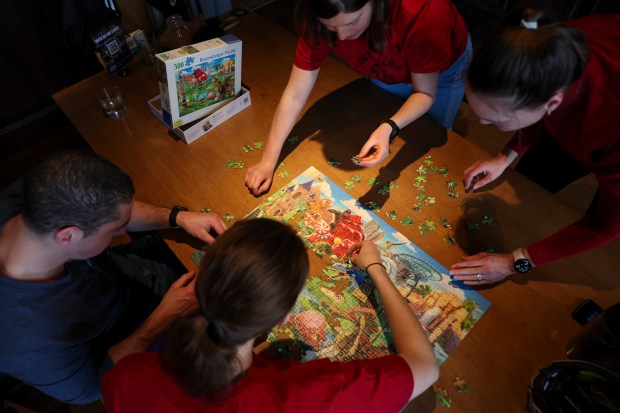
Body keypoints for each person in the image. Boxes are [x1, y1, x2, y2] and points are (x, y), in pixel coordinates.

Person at [101, 218, 439, 412]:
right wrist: (376, 269)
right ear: (284, 317)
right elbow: (424, 366)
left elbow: (111, 373)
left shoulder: (129, 377)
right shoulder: (303, 396)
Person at [0, 150, 227, 404]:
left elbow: (108, 210)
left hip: (130, 274)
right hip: (134, 341)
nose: (123, 230)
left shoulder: (37, 196)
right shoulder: (26, 342)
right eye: (115, 230)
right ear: (68, 236)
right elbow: (93, 387)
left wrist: (176, 217)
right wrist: (164, 317)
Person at [449, 9, 620, 285]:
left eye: (495, 119)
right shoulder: (540, 46)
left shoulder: (608, 119)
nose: (480, 122)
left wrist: (515, 262)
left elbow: (606, 224)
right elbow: (532, 106)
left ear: (552, 103)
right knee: (534, 185)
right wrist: (506, 155)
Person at [245, 0, 471, 196]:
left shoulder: (423, 14)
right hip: (387, 63)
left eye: (352, 22)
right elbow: (294, 94)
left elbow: (425, 92)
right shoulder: (318, 16)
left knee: (427, 136)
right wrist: (268, 160)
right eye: (330, 26)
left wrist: (388, 127)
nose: (342, 36)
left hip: (442, 71)